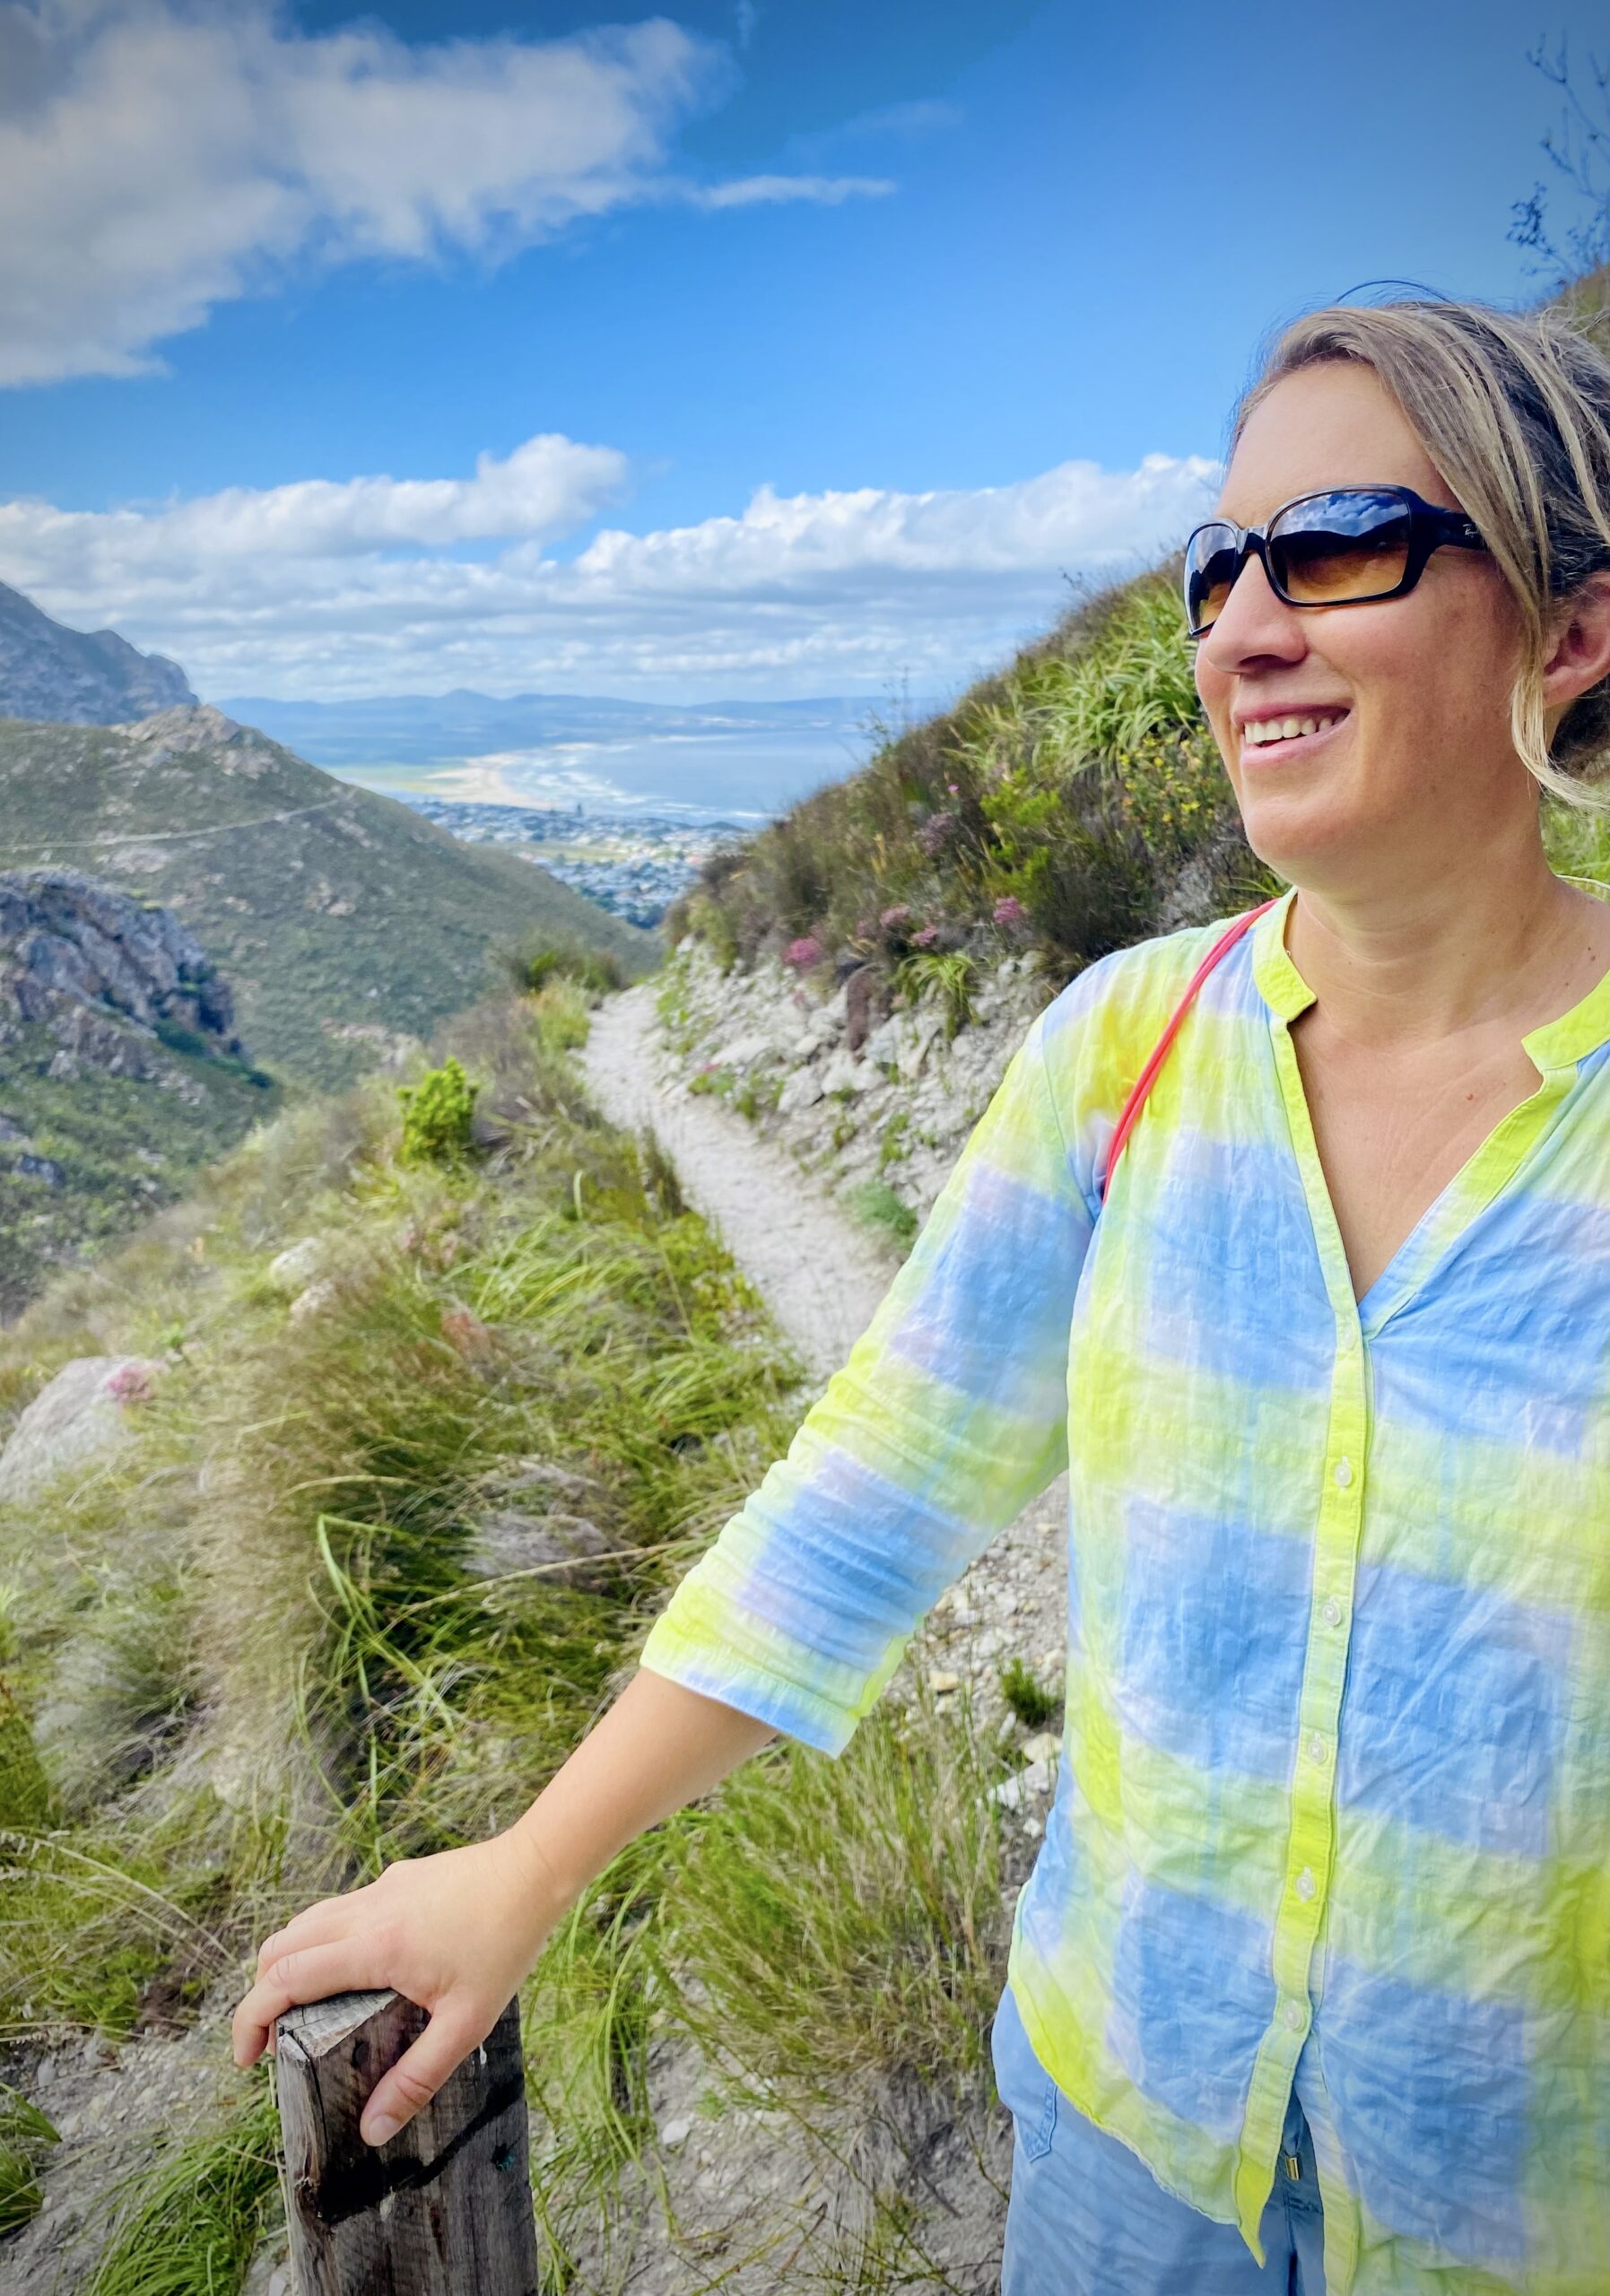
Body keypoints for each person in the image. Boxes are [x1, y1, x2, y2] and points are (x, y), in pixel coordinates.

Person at [231, 292, 1610, 2296]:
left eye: (1332, 546)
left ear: (1568, 631)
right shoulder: (1125, 1048)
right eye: (1216, 569)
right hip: (1126, 2165)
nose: (1240, 627)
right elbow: (870, 1491)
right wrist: (525, 1871)